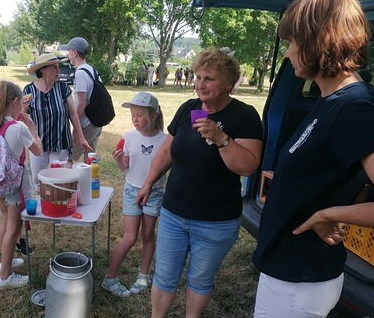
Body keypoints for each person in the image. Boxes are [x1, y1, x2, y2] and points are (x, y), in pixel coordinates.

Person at [252, 0, 374, 317]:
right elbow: (331, 171)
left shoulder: (353, 108)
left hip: (297, 283)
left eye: (293, 42)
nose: (289, 51)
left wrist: (329, 214)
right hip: (290, 272)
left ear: (319, 40)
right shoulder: (333, 98)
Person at [137, 48, 263, 317]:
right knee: (165, 275)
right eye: (198, 77)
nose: (200, 84)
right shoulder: (188, 109)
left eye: (209, 78)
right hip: (173, 213)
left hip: (216, 221)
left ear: (228, 83)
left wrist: (221, 138)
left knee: (200, 280)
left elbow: (248, 166)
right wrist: (148, 183)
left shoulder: (245, 116)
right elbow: (166, 152)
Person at [102, 92, 167, 297]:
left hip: (154, 193)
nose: (135, 119)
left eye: (140, 115)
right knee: (130, 237)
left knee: (148, 234)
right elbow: (124, 167)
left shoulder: (165, 141)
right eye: (133, 116)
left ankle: (143, 274)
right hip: (132, 191)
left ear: (154, 114)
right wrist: (118, 160)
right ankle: (109, 278)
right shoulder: (129, 137)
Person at [0, 80, 43, 289]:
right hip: (13, 186)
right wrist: (33, 129)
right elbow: (38, 151)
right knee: (13, 226)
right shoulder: (18, 128)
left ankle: (4, 262)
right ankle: (5, 277)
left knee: (5, 221)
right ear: (16, 101)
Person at [23, 53, 90, 186]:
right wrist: (22, 109)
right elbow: (23, 118)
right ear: (42, 70)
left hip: (60, 144)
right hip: (38, 144)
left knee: (59, 181)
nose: (59, 71)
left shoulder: (63, 88)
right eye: (54, 67)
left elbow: (73, 114)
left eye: (58, 67)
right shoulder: (29, 90)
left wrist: (81, 137)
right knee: (38, 181)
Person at [59, 37, 101, 162]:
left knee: (69, 157)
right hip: (96, 121)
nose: (68, 54)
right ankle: (89, 180)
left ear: (75, 53)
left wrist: (77, 129)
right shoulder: (91, 69)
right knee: (90, 157)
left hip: (86, 123)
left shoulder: (80, 73)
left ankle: (66, 181)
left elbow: (82, 102)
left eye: (69, 51)